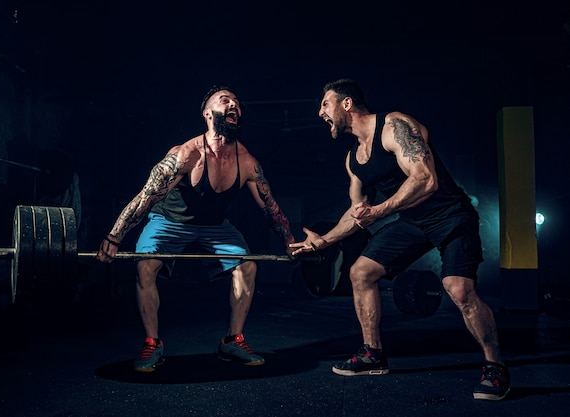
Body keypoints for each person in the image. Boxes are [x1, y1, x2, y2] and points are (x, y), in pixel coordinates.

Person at [290, 78, 510, 401]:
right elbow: (356, 213)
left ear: (346, 103)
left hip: (451, 214)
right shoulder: (353, 161)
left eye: (325, 104)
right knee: (360, 272)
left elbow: (426, 180)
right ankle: (373, 354)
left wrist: (379, 211)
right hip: (412, 221)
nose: (320, 111)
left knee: (459, 289)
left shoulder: (394, 126)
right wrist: (323, 241)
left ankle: (496, 367)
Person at [96, 84, 296, 372]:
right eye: (225, 100)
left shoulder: (247, 161)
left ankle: (232, 340)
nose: (234, 105)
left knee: (247, 266)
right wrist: (114, 236)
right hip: (169, 222)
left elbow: (270, 207)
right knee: (145, 266)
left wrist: (289, 241)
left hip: (215, 227)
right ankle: (152, 343)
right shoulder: (186, 155)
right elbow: (146, 197)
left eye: (237, 102)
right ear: (207, 113)